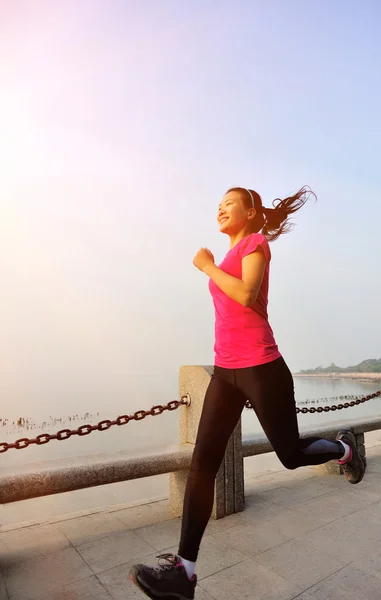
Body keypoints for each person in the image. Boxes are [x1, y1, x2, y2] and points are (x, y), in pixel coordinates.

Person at [129, 186, 365, 600]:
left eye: (230, 203)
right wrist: (213, 266)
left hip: (262, 367)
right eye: (218, 205)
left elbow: (245, 294)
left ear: (252, 213)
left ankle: (344, 449)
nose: (220, 208)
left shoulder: (255, 244)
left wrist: (205, 266)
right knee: (202, 464)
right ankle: (184, 572)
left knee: (290, 456)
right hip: (225, 371)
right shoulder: (226, 257)